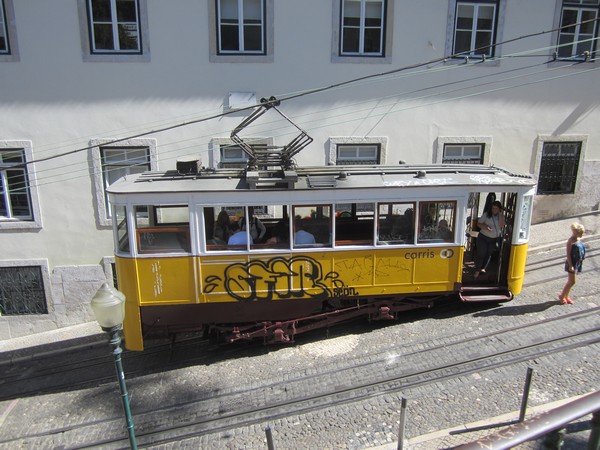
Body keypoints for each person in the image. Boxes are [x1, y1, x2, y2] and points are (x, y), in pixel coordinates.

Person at [474, 200, 505, 279]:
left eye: (496, 208)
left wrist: (500, 215)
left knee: (489, 253)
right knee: (481, 253)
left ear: (499, 209)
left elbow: (501, 225)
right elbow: (478, 223)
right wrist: (485, 227)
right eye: (493, 208)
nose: (494, 210)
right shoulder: (486, 215)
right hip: (483, 237)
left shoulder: (501, 216)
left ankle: (483, 268)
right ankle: (477, 270)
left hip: (494, 239)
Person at [558, 223, 586, 305]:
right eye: (581, 233)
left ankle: (566, 296)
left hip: (576, 263)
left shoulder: (577, 238)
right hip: (572, 264)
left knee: (571, 281)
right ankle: (562, 295)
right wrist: (570, 265)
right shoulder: (570, 241)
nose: (582, 235)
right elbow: (568, 254)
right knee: (572, 282)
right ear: (576, 232)